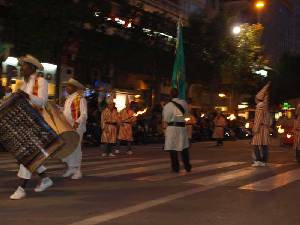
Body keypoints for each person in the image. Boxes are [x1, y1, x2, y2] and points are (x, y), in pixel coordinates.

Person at [10, 54, 53, 200]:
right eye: (22, 65)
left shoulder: (41, 81)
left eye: (25, 65)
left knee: (26, 154)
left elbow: (42, 102)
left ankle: (22, 188)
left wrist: (27, 96)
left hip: (35, 121)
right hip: (23, 121)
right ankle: (45, 178)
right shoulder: (23, 83)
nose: (22, 68)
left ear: (32, 67)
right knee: (27, 155)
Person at [61, 78, 88, 179]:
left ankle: (78, 170)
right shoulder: (68, 99)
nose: (66, 88)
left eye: (68, 86)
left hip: (77, 127)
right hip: (67, 127)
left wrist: (77, 122)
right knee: (68, 148)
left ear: (74, 88)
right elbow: (66, 113)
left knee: (76, 148)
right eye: (66, 86)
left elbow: (84, 114)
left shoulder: (80, 99)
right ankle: (71, 168)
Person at [162, 88, 191, 173]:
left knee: (173, 148)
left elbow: (166, 118)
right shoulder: (184, 103)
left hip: (172, 128)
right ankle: (187, 166)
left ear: (170, 95)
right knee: (184, 148)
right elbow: (186, 115)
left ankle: (175, 168)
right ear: (178, 94)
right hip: (182, 127)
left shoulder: (168, 105)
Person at [251, 83, 272, 167]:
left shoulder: (259, 106)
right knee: (264, 145)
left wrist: (255, 129)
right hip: (265, 128)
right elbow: (270, 120)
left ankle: (259, 160)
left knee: (255, 145)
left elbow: (258, 119)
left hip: (260, 129)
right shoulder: (266, 107)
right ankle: (264, 161)